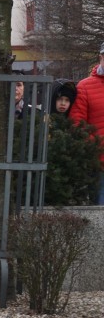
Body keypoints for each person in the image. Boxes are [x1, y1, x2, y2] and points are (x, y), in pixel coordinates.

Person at [69, 41, 104, 204]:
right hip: (98, 165)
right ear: (100, 57)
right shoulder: (84, 86)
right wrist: (95, 149)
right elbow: (78, 124)